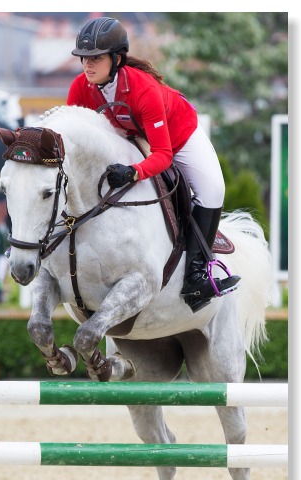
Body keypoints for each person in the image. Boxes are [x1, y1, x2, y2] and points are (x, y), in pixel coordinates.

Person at [67, 17, 240, 312]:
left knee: (213, 190)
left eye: (95, 58)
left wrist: (134, 172)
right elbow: (71, 136)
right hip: (130, 134)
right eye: (84, 58)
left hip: (177, 135)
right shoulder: (82, 86)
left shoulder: (143, 88)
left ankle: (197, 276)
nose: (87, 65)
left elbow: (163, 155)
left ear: (116, 58)